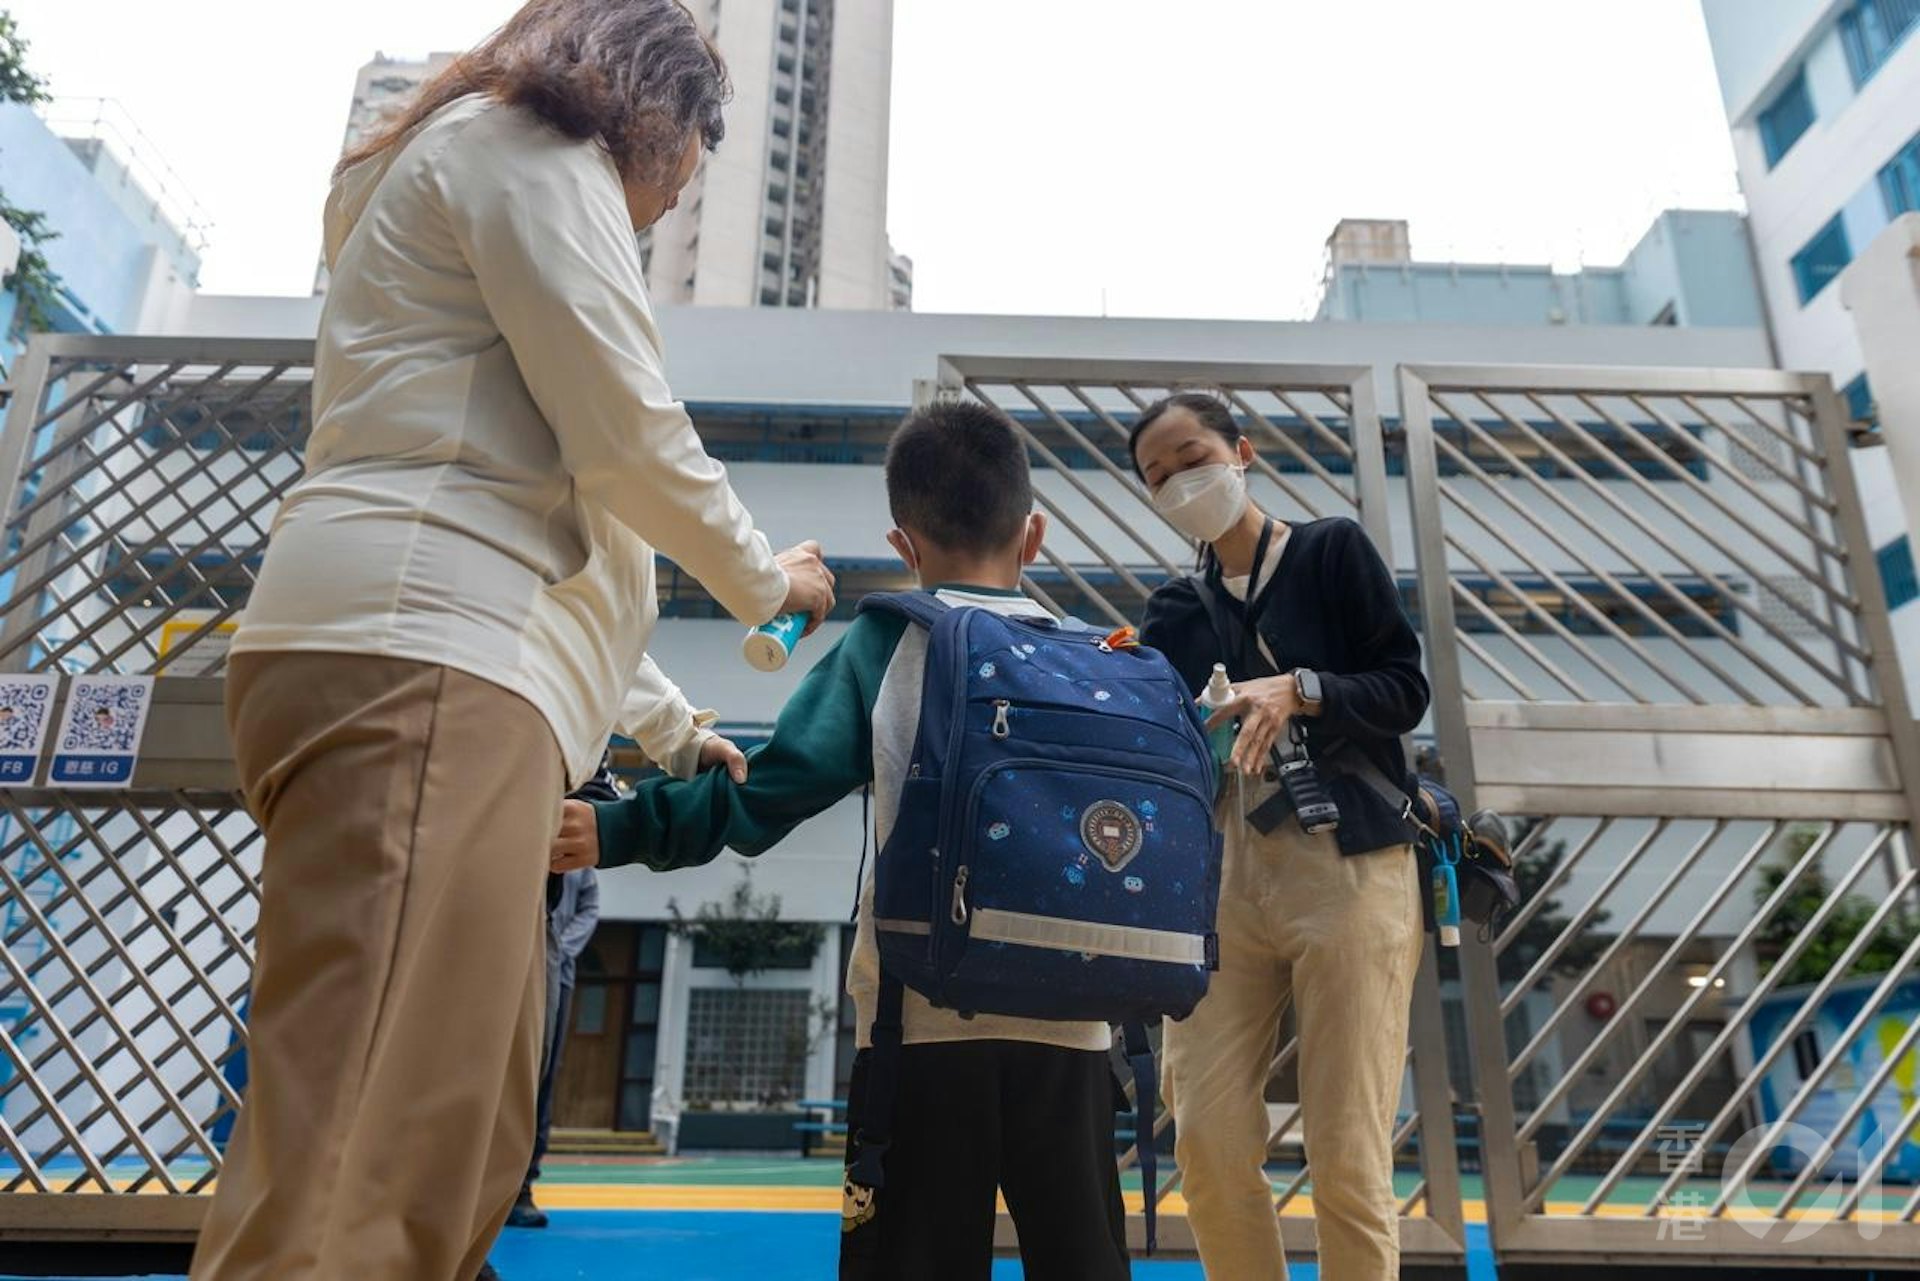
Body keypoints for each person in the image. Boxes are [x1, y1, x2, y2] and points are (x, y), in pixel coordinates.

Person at [190, 4, 834, 1279]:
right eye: (682, 165)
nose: (660, 209)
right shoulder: (535, 152)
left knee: (460, 1119)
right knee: (374, 1136)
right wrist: (771, 582)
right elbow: (627, 433)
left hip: (431, 654)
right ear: (651, 104)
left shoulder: (459, 168)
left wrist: (666, 727)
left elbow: (576, 538)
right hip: (426, 658)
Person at [550, 403, 1132, 1281]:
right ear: (1035, 534)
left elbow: (770, 791)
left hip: (922, 1031)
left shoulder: (892, 638)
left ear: (904, 545)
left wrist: (620, 825)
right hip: (1078, 1033)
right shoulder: (1098, 656)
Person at [1131, 392, 1428, 1281]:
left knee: (1347, 1152)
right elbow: (1164, 754)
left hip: (1350, 860)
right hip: (1224, 872)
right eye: (1157, 476)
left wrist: (1299, 687)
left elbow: (1404, 686)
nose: (1180, 481)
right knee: (1209, 1146)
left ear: (1242, 450)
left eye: (1192, 456)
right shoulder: (1172, 611)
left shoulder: (1331, 549)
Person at [508, 760, 611, 1231]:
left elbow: (589, 908)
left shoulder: (576, 850)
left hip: (555, 961)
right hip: (505, 934)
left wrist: (561, 950)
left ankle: (521, 1184)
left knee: (539, 1074)